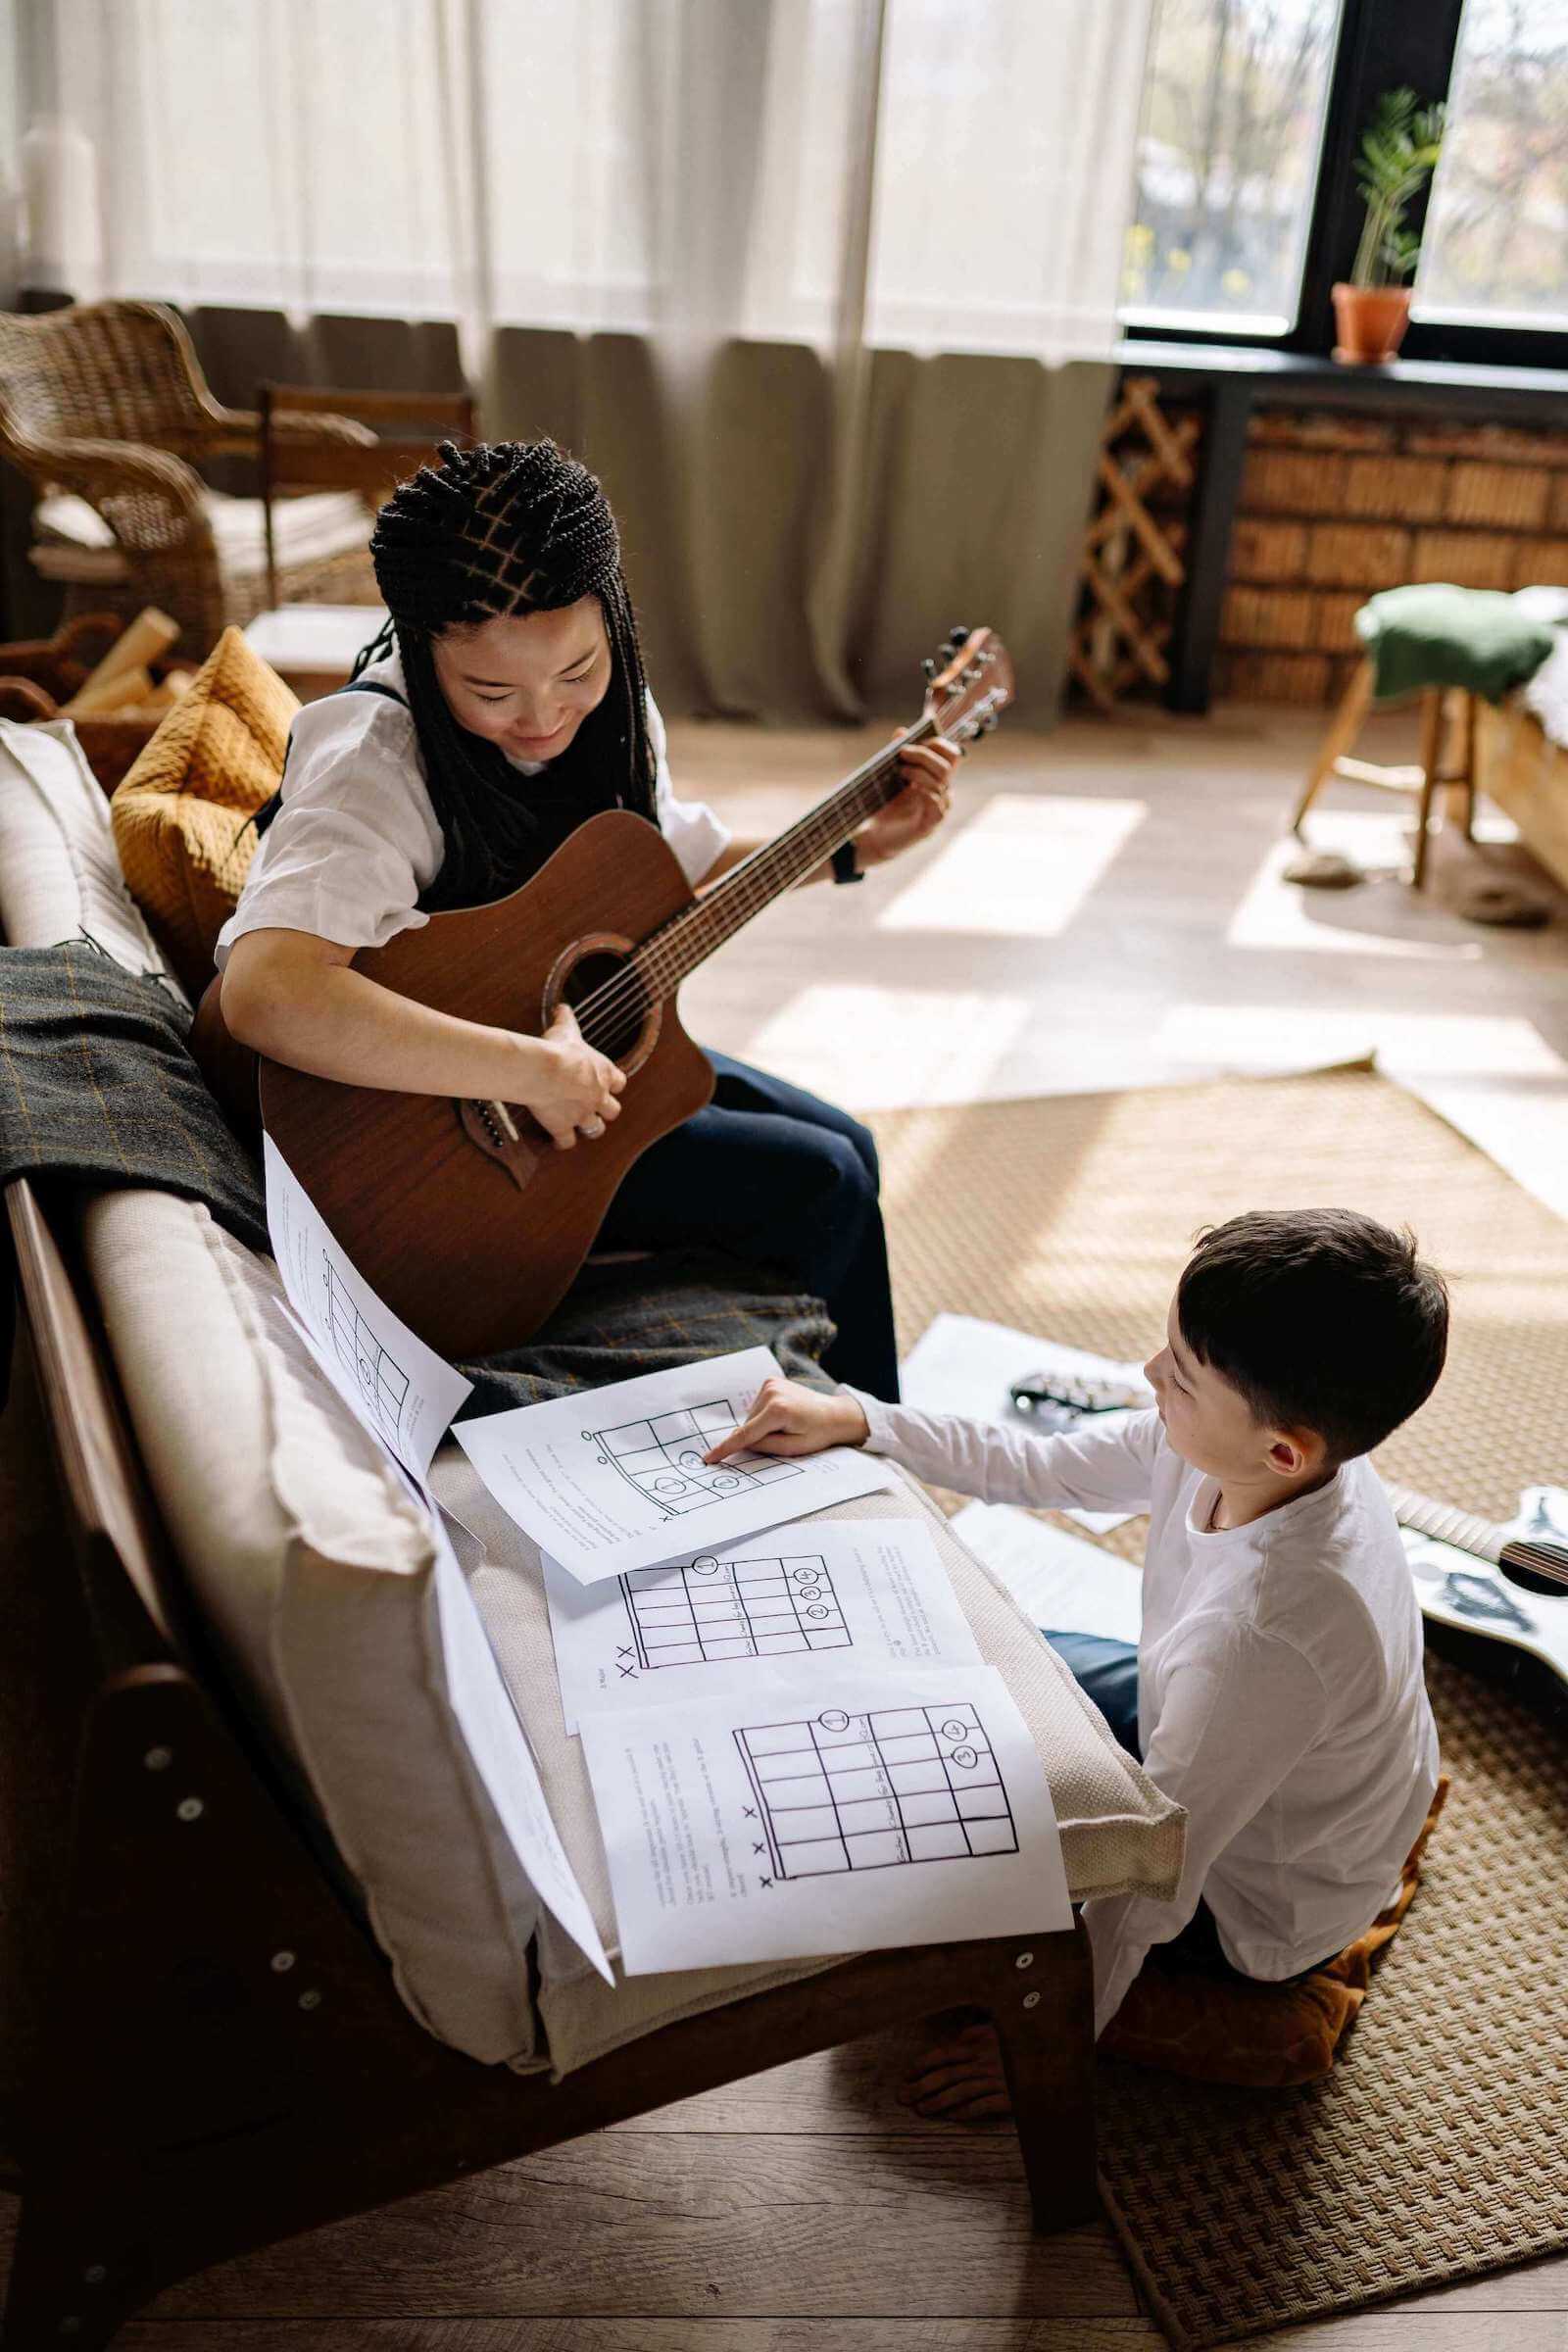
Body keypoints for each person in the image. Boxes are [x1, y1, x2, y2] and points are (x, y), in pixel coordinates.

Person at [217, 440, 960, 1398]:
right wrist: (524, 1067)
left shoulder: (615, 715)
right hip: (425, 1158)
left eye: (577, 670)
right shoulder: (377, 757)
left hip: (551, 1072)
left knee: (848, 1143)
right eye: (491, 692)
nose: (543, 718)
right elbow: (269, 993)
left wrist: (858, 845)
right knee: (826, 1182)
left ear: (611, 616)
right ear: (417, 642)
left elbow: (675, 870)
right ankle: (839, 1433)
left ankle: (861, 1433)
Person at [708, 1207, 1448, 2114]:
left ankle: (1216, 2007)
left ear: (1283, 1448)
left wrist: (1055, 2038)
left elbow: (1157, 1873)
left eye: (1177, 1376)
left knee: (926, 1894)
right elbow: (1043, 1464)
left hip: (1250, 1900)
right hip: (1232, 1731)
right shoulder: (1274, 1457)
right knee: (959, 1673)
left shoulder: (1266, 1637)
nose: (1147, 1376)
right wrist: (859, 1420)